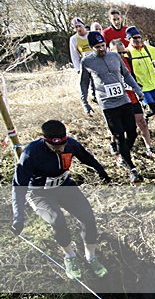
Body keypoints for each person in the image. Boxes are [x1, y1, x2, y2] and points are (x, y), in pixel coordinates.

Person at [10, 120, 111, 280]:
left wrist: (101, 170)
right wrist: (18, 217)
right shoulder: (31, 153)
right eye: (55, 148)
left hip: (64, 186)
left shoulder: (70, 144)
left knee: (88, 219)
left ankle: (91, 257)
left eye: (63, 145)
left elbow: (86, 157)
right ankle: (69, 256)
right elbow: (18, 186)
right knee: (58, 220)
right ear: (45, 141)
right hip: (39, 193)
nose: (61, 149)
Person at [80, 31, 144, 183]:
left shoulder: (115, 56)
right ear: (91, 47)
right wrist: (85, 103)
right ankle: (132, 169)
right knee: (120, 136)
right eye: (97, 47)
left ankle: (123, 155)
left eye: (103, 45)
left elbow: (126, 74)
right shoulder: (87, 61)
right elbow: (84, 83)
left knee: (132, 133)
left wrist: (137, 89)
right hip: (108, 104)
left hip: (124, 100)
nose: (101, 49)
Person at [108, 38, 155, 157]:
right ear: (110, 51)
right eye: (117, 53)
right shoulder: (107, 63)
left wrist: (138, 90)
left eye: (122, 52)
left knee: (142, 122)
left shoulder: (127, 60)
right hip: (117, 99)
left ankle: (149, 148)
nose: (120, 55)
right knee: (119, 127)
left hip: (131, 96)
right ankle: (114, 143)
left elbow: (132, 76)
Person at [126, 26, 155, 142]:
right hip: (143, 88)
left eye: (139, 38)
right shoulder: (127, 53)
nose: (137, 40)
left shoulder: (147, 49)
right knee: (153, 110)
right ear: (128, 39)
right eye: (134, 38)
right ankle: (145, 125)